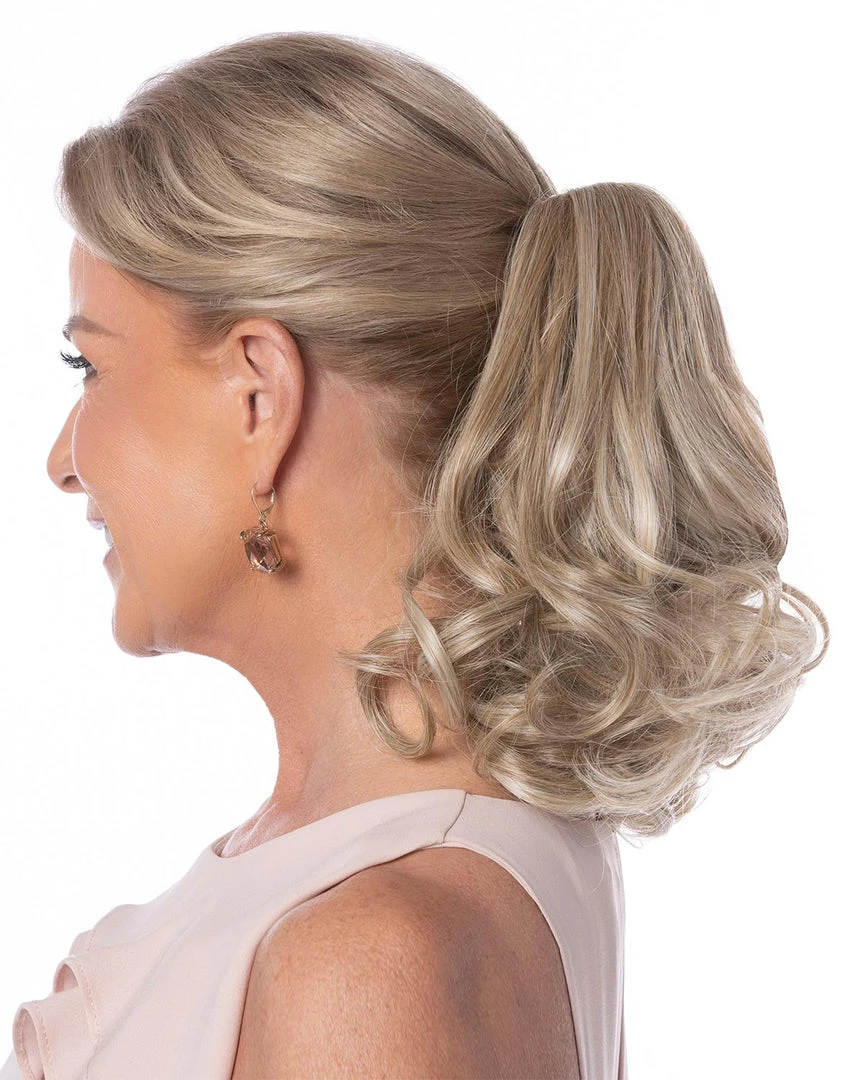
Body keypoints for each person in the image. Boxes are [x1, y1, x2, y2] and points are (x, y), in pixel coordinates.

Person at [1, 30, 828, 1080]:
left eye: (91, 366)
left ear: (259, 395)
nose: (62, 462)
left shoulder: (370, 961)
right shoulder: (415, 869)